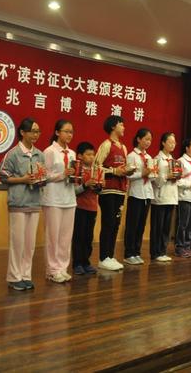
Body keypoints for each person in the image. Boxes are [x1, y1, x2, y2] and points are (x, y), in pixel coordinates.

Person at [0, 117, 44, 291]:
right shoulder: (13, 153)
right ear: (23, 132)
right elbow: (3, 175)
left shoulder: (39, 154)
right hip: (18, 202)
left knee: (30, 244)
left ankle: (26, 275)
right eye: (33, 131)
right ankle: (14, 277)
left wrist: (41, 179)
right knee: (17, 242)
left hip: (35, 201)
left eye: (38, 131)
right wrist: (23, 179)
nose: (36, 135)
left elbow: (43, 175)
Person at [41, 119, 77, 283]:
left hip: (69, 198)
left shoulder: (72, 154)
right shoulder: (49, 151)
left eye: (71, 132)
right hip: (53, 198)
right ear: (57, 132)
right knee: (53, 237)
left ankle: (62, 268)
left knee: (65, 237)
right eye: (66, 131)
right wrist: (62, 175)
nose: (69, 134)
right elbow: (44, 176)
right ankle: (52, 270)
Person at [95, 115, 132, 271]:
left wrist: (127, 171)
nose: (124, 127)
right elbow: (96, 167)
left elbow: (123, 167)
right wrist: (113, 171)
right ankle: (103, 257)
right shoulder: (106, 145)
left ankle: (110, 256)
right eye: (121, 124)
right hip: (108, 190)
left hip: (120, 190)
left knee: (116, 224)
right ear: (112, 127)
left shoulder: (123, 147)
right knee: (108, 223)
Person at [123, 128, 154, 265]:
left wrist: (153, 173)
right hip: (136, 194)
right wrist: (143, 173)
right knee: (132, 225)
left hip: (147, 194)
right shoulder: (132, 156)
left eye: (150, 140)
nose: (148, 142)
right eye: (146, 139)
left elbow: (152, 177)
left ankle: (136, 252)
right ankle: (128, 253)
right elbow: (128, 176)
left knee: (141, 225)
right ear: (138, 139)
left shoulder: (149, 158)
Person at [72, 141, 100, 275]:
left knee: (89, 237)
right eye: (88, 154)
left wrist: (98, 186)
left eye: (93, 154)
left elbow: (99, 191)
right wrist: (86, 185)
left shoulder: (96, 170)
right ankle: (77, 263)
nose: (91, 157)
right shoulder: (77, 170)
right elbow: (73, 191)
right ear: (80, 156)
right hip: (80, 207)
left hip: (92, 207)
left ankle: (86, 262)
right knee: (79, 236)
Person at [150, 132, 179, 262]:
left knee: (166, 227)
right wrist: (167, 176)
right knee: (158, 226)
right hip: (160, 197)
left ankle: (163, 251)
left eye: (174, 142)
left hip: (171, 196)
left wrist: (177, 176)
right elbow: (154, 179)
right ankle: (155, 253)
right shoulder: (157, 159)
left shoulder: (174, 161)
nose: (173, 145)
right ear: (163, 143)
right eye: (170, 142)